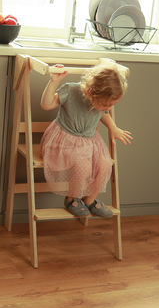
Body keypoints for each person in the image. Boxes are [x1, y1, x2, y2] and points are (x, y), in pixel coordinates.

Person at [40, 62, 132, 218]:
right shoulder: (71, 90)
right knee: (84, 166)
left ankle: (90, 200)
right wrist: (54, 81)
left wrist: (113, 128)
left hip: (89, 141)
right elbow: (46, 104)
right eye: (104, 104)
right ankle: (72, 199)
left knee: (104, 165)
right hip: (65, 140)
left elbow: (103, 113)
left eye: (110, 105)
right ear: (90, 92)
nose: (105, 107)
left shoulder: (102, 104)